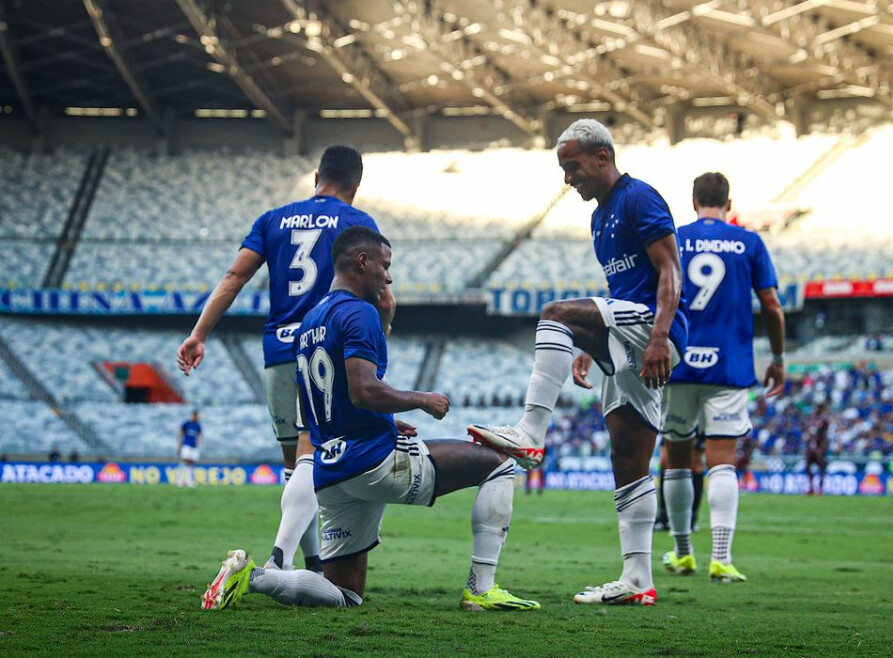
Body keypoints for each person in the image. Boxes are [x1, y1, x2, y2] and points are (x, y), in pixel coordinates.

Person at [201, 227, 538, 613]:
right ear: (362, 262)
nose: (389, 276)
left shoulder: (310, 321)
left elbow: (321, 406)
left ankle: (254, 576)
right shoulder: (359, 312)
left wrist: (389, 422)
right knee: (499, 466)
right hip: (374, 462)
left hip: (331, 471)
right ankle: (481, 590)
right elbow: (363, 390)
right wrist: (422, 400)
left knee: (345, 595)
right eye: (385, 265)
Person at [469, 119, 688, 606]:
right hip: (630, 332)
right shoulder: (598, 217)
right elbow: (618, 295)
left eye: (573, 167)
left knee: (555, 315)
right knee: (627, 458)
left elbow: (670, 269)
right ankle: (638, 580)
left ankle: (531, 430)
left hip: (654, 328)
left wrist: (659, 337)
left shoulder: (640, 198)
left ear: (602, 157)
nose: (568, 179)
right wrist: (593, 346)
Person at [177, 146, 392, 574]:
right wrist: (380, 334)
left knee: (296, 464)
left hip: (278, 350)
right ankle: (280, 559)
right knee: (316, 458)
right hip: (326, 349)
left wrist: (199, 334)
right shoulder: (357, 223)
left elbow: (235, 276)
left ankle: (311, 563)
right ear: (357, 185)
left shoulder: (272, 219)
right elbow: (382, 293)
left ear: (316, 175)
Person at [660, 172, 785, 583]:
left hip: (677, 362)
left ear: (693, 200)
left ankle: (682, 553)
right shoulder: (748, 242)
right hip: (729, 366)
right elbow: (772, 305)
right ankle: (722, 558)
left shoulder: (674, 237)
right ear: (729, 204)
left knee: (677, 460)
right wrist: (778, 357)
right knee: (722, 462)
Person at [805, 403, 829, 496]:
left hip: (820, 447)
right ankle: (811, 487)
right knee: (807, 467)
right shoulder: (813, 419)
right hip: (812, 446)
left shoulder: (824, 421)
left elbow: (824, 436)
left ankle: (821, 488)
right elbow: (810, 433)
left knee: (821, 467)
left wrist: (821, 449)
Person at [177, 409, 203, 488]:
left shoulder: (198, 425)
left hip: (194, 446)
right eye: (196, 415)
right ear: (193, 415)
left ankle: (189, 481)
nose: (198, 417)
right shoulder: (186, 424)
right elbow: (181, 433)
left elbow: (200, 434)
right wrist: (179, 445)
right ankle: (179, 480)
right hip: (186, 445)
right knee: (184, 461)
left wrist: (200, 441)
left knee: (191, 463)